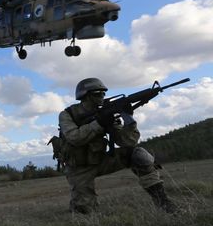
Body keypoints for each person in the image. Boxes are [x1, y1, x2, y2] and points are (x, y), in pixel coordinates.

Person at [58, 77, 177, 214]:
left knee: (138, 154)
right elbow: (74, 137)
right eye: (97, 94)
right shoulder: (68, 114)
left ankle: (164, 204)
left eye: (103, 93)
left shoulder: (105, 113)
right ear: (84, 96)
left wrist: (129, 119)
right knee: (84, 212)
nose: (101, 97)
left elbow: (127, 142)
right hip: (78, 168)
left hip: (101, 161)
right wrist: (99, 123)